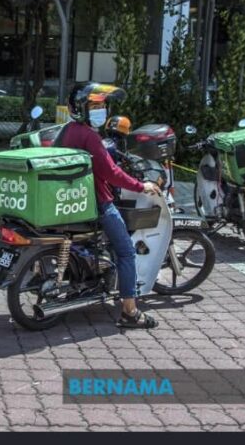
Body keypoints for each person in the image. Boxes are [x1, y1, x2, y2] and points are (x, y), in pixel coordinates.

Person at [56, 82, 161, 329]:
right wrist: (141, 186)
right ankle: (130, 312)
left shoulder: (67, 131)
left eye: (101, 107)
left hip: (72, 200)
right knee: (126, 251)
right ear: (80, 109)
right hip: (98, 202)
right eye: (94, 107)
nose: (99, 111)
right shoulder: (90, 136)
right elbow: (111, 173)